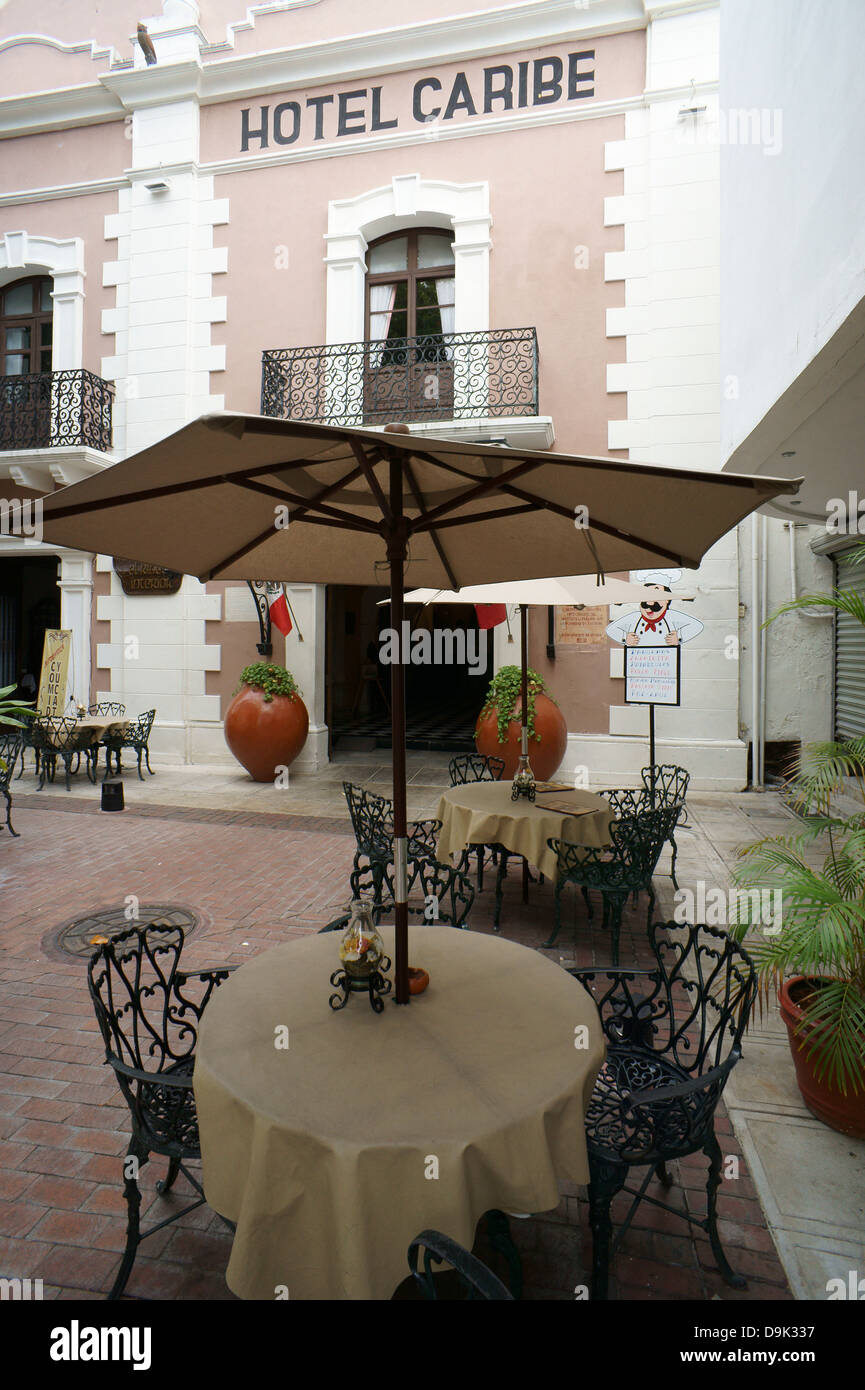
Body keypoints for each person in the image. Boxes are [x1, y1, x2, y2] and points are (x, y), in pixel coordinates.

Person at [606, 585, 703, 647]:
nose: (650, 602)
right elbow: (611, 629)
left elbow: (696, 625)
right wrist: (625, 638)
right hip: (638, 663)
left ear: (667, 600)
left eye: (656, 597)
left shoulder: (672, 616)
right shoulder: (634, 618)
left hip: (665, 664)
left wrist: (680, 637)